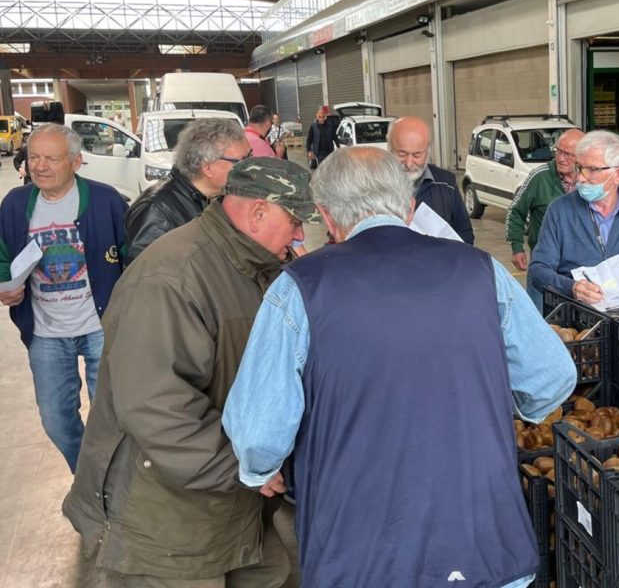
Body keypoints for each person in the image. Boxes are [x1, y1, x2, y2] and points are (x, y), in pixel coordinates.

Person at [221, 146, 576, 587]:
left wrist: (260, 469)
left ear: (326, 216)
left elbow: (258, 435)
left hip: (360, 553)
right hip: (481, 541)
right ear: (409, 207)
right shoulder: (483, 270)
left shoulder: (299, 288)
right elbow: (552, 378)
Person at [62, 157, 318, 587]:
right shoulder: (172, 278)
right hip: (164, 518)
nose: (299, 235)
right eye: (294, 221)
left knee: (271, 573)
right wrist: (246, 465)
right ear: (258, 212)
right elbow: (156, 407)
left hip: (231, 506)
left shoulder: (259, 268)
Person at [0, 124, 127, 472]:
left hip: (101, 326)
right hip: (46, 332)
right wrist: (4, 283)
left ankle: (110, 484)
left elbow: (134, 256)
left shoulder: (107, 201)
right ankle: (86, 476)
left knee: (112, 416)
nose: (40, 166)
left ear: (76, 162)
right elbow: (1, 255)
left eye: (52, 158)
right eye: (34, 157)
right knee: (56, 419)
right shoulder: (14, 205)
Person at [528, 130, 619, 307]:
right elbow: (538, 270)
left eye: (592, 170)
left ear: (618, 174)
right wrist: (573, 287)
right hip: (574, 319)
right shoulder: (559, 211)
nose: (580, 177)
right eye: (579, 168)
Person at [123, 118, 250, 267]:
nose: (250, 168)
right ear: (208, 168)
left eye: (250, 157)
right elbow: (144, 277)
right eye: (242, 162)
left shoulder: (217, 197)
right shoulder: (157, 211)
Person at [505, 128, 584, 274]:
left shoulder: (592, 180)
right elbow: (515, 211)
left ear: (583, 155)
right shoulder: (540, 177)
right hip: (545, 261)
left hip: (581, 263)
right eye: (558, 151)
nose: (560, 158)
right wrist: (517, 247)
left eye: (567, 154)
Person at [387, 115, 475, 244]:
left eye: (417, 155)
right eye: (402, 154)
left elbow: (465, 235)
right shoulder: (371, 185)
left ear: (428, 152)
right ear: (389, 149)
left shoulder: (446, 184)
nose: (409, 163)